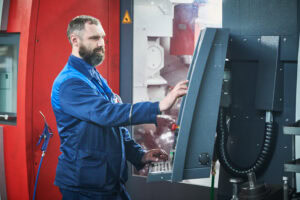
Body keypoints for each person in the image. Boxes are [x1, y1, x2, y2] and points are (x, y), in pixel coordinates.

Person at [51, 15, 188, 200]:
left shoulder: (94, 76)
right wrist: (159, 106)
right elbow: (107, 114)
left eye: (102, 38)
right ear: (75, 40)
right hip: (84, 187)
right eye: (94, 38)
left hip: (109, 182)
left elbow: (115, 126)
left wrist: (140, 156)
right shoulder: (70, 83)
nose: (101, 43)